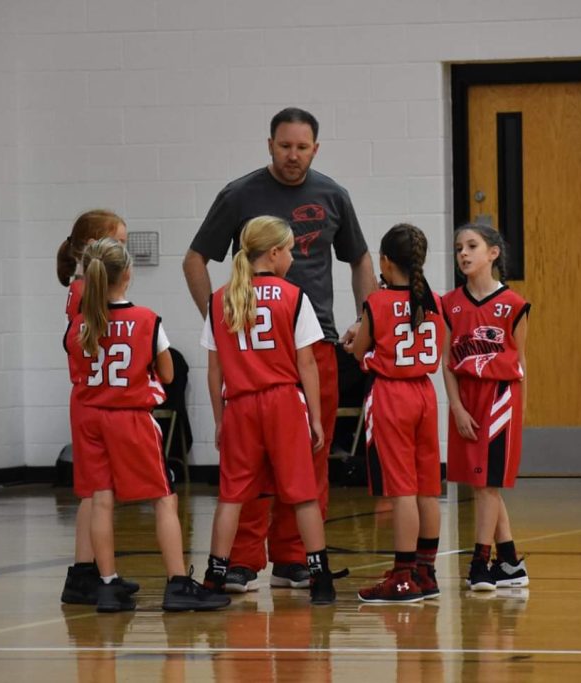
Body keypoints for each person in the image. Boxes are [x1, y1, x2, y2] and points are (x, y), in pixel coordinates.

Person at [183, 107, 377, 592]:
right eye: (285, 146)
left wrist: (365, 320)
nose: (293, 155)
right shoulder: (239, 194)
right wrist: (219, 322)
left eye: (302, 147)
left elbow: (360, 259)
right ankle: (243, 561)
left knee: (310, 454)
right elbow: (194, 260)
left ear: (316, 148)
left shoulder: (333, 195)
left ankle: (295, 559)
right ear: (269, 144)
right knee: (247, 464)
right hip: (253, 354)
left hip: (316, 345)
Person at [65, 237, 230, 613]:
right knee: (164, 497)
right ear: (128, 274)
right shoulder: (146, 320)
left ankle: (107, 585)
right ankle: (177, 582)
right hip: (131, 418)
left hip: (90, 418)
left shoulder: (79, 324)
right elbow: (168, 375)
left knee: (101, 499)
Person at [199, 216, 344, 605]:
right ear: (275, 252)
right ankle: (320, 577)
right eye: (291, 250)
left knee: (232, 496)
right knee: (303, 494)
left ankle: (214, 577)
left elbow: (214, 371)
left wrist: (219, 419)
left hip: (239, 404)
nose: (293, 258)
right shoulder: (294, 296)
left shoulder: (220, 298)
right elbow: (307, 364)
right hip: (283, 402)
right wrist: (316, 418)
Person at [351, 224, 444, 603]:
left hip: (392, 394)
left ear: (386, 262)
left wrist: (358, 343)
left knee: (402, 490)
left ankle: (403, 576)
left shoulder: (376, 302)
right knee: (428, 488)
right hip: (425, 393)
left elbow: (359, 351)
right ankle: (426, 572)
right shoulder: (435, 301)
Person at [442, 223, 531, 591]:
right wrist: (456, 407)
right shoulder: (449, 303)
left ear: (493, 253)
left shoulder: (514, 305)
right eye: (458, 247)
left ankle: (480, 563)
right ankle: (509, 563)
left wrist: (518, 413)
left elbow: (521, 363)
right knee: (482, 485)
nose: (463, 253)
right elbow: (448, 362)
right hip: (465, 399)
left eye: (471, 246)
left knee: (486, 485)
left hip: (500, 398)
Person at [57, 210, 139, 606]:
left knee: (94, 492)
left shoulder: (85, 287)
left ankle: (84, 570)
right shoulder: (83, 291)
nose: (123, 249)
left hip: (92, 397)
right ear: (93, 247)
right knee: (93, 492)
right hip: (92, 398)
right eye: (118, 242)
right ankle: (83, 573)